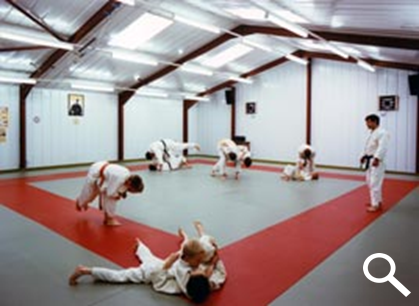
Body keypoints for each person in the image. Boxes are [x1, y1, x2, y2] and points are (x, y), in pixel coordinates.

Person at [69, 237, 212, 303]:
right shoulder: (188, 274)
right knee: (121, 275)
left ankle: (140, 245)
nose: (199, 266)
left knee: (147, 258)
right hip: (153, 271)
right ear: (188, 259)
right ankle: (86, 270)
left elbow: (195, 272)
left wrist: (207, 272)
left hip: (156, 270)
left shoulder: (187, 277)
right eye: (198, 262)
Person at [75, 161, 144, 226]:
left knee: (107, 196)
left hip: (106, 174)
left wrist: (119, 194)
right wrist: (117, 196)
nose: (131, 192)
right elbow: (110, 193)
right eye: (132, 191)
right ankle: (80, 202)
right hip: (96, 171)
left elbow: (121, 189)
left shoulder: (127, 176)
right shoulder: (120, 179)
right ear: (130, 184)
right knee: (89, 193)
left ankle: (108, 217)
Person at [178, 221, 227, 291]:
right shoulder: (214, 280)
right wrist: (213, 261)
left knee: (187, 248)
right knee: (205, 245)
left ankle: (187, 236)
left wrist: (184, 236)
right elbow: (221, 271)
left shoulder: (188, 279)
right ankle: (201, 232)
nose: (192, 271)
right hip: (209, 260)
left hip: (196, 259)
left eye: (192, 272)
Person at [360, 114, 390, 212]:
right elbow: (369, 147)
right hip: (370, 160)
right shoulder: (372, 133)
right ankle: (377, 201)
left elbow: (382, 147)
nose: (367, 124)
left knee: (374, 183)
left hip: (376, 161)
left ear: (374, 122)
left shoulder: (382, 133)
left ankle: (375, 205)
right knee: (369, 181)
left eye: (368, 122)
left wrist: (377, 158)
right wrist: (364, 156)